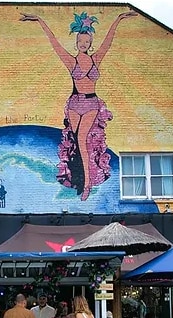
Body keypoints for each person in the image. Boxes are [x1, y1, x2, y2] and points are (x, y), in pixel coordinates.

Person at [20, 10, 137, 201]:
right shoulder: (70, 61)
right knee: (75, 142)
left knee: (82, 140)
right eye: (80, 42)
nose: (83, 44)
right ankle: (77, 178)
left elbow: (108, 41)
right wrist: (40, 20)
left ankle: (87, 184)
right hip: (75, 103)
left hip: (91, 103)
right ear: (76, 43)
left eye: (86, 42)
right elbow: (54, 44)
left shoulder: (96, 59)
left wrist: (117, 19)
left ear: (90, 44)